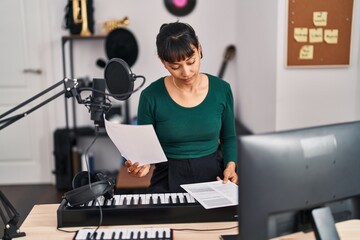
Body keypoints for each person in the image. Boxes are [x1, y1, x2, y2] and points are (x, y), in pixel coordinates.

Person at [125, 21, 238, 193]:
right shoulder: (150, 96)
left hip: (214, 175)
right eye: (175, 67)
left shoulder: (222, 89)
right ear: (163, 62)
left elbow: (229, 137)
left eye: (191, 61)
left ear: (199, 49)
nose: (185, 72)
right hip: (168, 176)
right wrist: (143, 166)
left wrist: (230, 167)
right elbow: (145, 150)